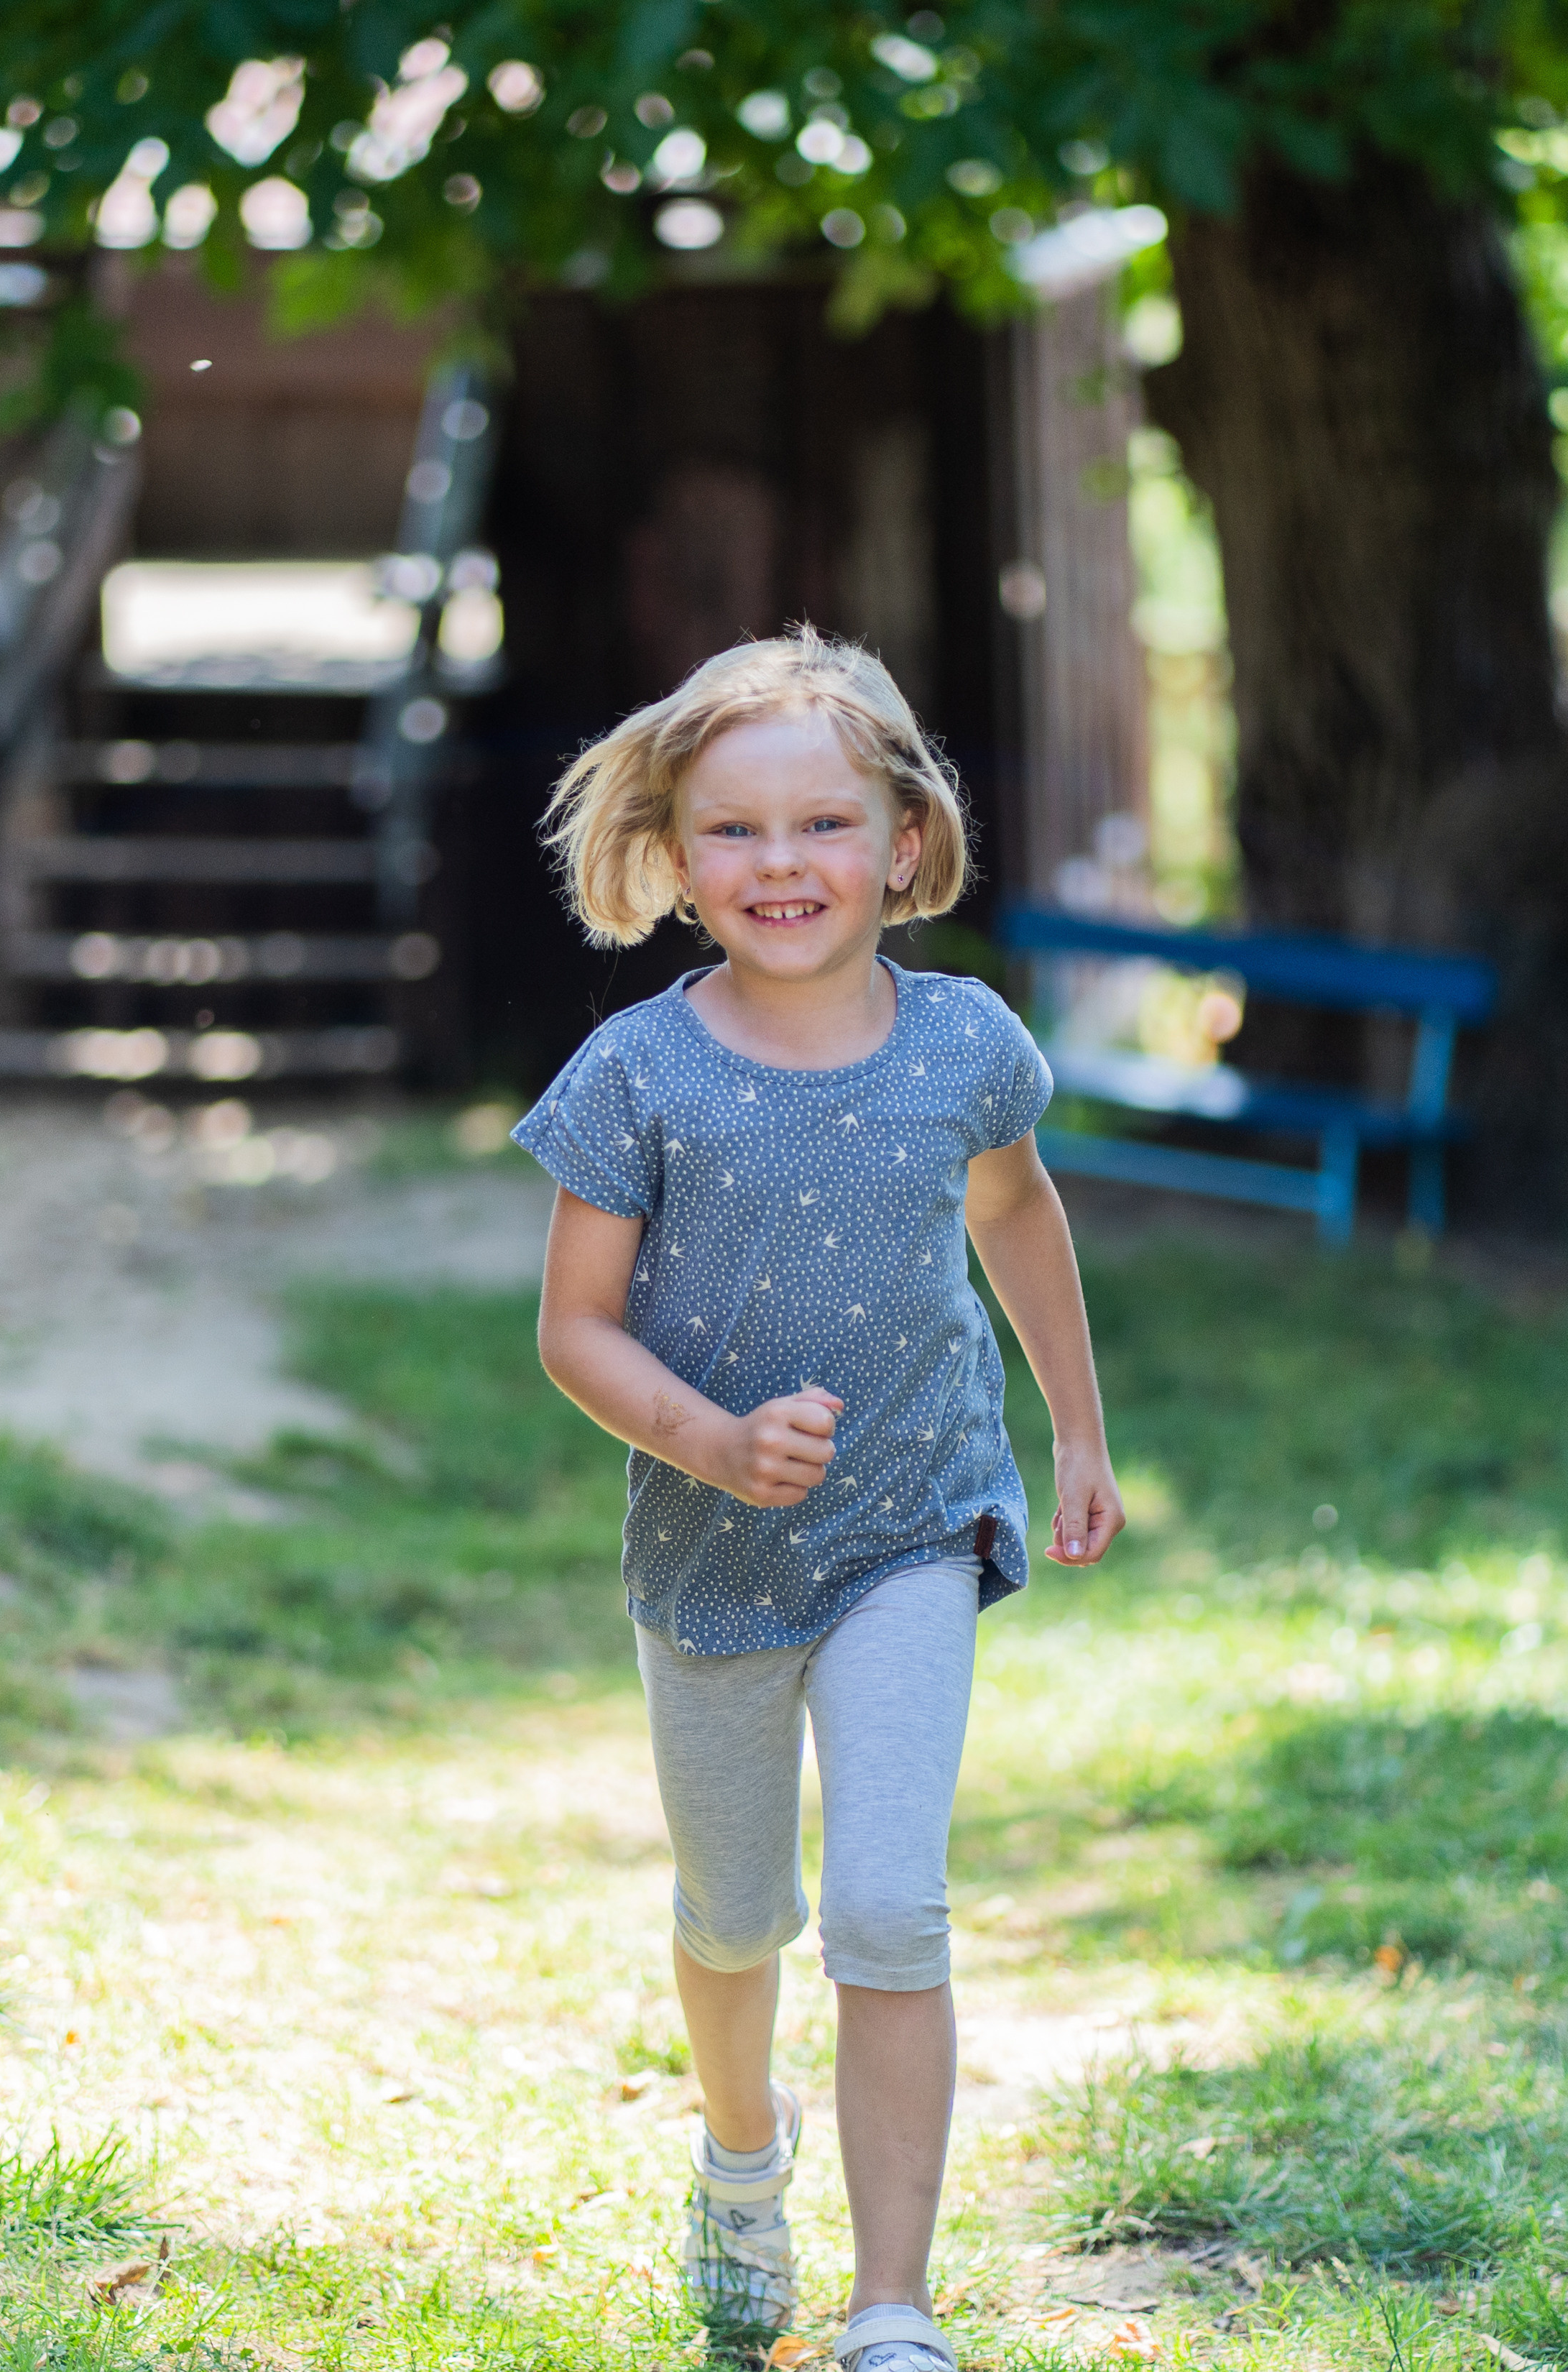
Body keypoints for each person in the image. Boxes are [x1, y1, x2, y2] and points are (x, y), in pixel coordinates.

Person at [515, 629, 1124, 2372]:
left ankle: (891, 2308)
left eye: (822, 824)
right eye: (733, 829)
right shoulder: (636, 1074)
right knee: (734, 1917)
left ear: (902, 841)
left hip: (914, 1526)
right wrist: (709, 1441)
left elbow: (1014, 1213)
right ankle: (738, 2154)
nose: (779, 863)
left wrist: (1076, 1432)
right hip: (708, 1554)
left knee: (884, 1909)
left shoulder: (963, 1044)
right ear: (673, 854)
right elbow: (571, 1329)